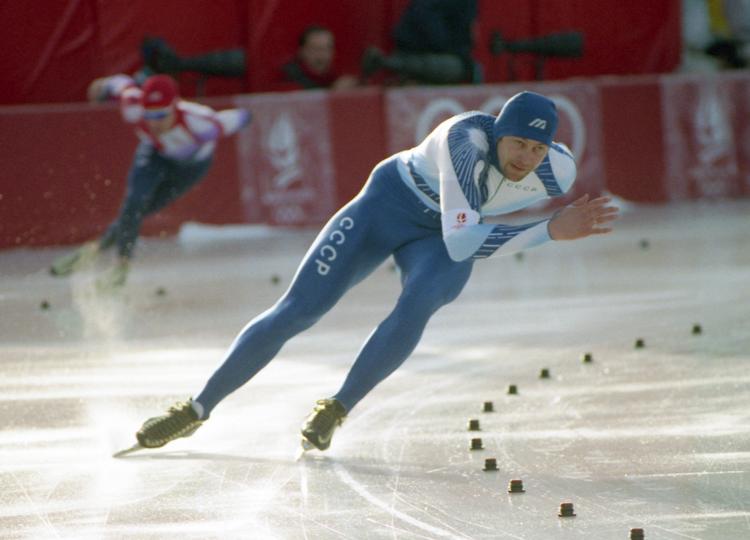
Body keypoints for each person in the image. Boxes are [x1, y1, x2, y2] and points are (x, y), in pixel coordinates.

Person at [132, 91, 619, 453]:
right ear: (497, 132)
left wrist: (547, 224)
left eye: (536, 150)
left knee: (418, 304)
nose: (525, 160)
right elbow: (464, 241)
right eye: (517, 144)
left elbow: (463, 236)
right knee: (298, 312)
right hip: (387, 205)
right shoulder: (465, 139)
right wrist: (550, 230)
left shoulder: (559, 172)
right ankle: (196, 408)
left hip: (440, 234)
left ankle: (336, 407)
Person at [49, 74, 251, 288]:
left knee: (142, 211)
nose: (154, 122)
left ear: (175, 107)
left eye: (161, 114)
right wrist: (101, 86)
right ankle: (121, 268)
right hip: (155, 154)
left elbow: (243, 116)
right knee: (134, 203)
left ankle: (94, 250)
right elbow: (119, 85)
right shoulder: (133, 105)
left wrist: (253, 118)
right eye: (149, 114)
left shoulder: (202, 122)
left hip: (190, 168)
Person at [362, 0, 481, 85]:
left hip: (423, 50)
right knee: (456, 67)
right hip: (416, 50)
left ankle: (393, 66)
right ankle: (387, 63)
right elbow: (425, 20)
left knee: (460, 67)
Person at [280, 25, 359, 90]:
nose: (323, 55)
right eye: (316, 49)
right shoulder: (289, 76)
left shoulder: (333, 75)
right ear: (302, 51)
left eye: (328, 48)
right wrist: (333, 91)